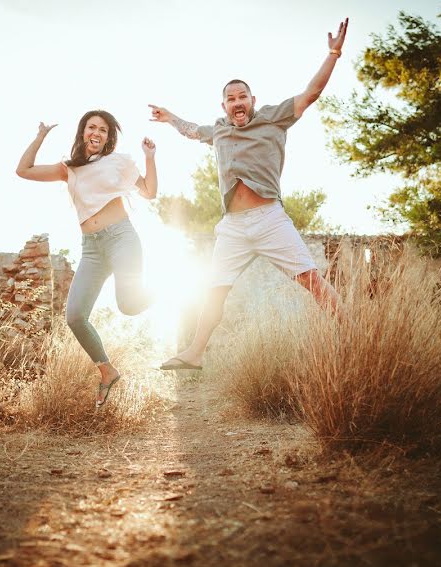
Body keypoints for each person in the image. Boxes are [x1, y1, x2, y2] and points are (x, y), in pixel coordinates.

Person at [149, 18, 349, 371]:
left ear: (252, 100)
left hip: (270, 219)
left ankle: (356, 332)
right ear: (224, 105)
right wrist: (169, 118)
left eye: (242, 96)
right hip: (233, 227)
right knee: (214, 290)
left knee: (312, 280)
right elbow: (192, 131)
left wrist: (333, 54)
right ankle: (194, 354)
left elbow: (310, 94)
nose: (237, 102)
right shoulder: (220, 130)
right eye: (230, 98)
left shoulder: (274, 118)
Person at [16, 110, 157, 406]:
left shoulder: (118, 162)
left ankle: (165, 290)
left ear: (108, 138)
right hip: (91, 249)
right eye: (91, 127)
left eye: (103, 130)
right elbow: (24, 170)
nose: (97, 132)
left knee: (128, 306)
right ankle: (107, 371)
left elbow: (149, 192)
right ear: (83, 132)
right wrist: (41, 136)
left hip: (121, 239)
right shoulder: (69, 169)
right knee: (75, 317)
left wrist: (149, 157)